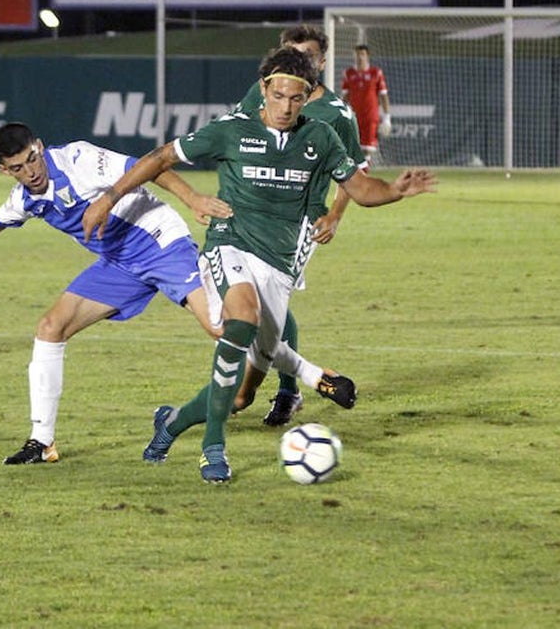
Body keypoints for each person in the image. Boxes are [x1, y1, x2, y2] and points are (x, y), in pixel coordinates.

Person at [82, 47, 437, 483]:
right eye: (279, 94)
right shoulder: (231, 131)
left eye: (296, 98)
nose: (286, 106)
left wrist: (396, 190)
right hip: (228, 243)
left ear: (306, 97)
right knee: (243, 317)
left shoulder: (320, 137)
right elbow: (159, 158)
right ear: (264, 89)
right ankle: (213, 449)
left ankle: (172, 423)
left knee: (239, 397)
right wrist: (110, 197)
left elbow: (361, 189)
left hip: (279, 263)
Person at [0, 122, 232, 465]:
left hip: (160, 242)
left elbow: (148, 166)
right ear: (5, 171)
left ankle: (287, 373)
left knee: (222, 328)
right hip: (119, 264)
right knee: (51, 327)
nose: (31, 171)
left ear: (40, 147)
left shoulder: (78, 159)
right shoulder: (25, 199)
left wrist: (193, 198)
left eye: (33, 158)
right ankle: (42, 442)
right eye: (18, 167)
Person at [231, 24, 369, 426]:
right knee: (257, 301)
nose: (299, 61)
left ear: (322, 62)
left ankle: (288, 390)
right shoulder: (260, 94)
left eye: (307, 55)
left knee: (274, 302)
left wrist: (335, 214)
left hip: (298, 222)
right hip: (251, 213)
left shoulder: (336, 114)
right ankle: (270, 383)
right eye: (291, 52)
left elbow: (356, 171)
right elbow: (235, 135)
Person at [341, 43, 392, 163]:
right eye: (357, 54)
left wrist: (387, 118)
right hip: (353, 117)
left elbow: (383, 96)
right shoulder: (348, 73)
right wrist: (340, 114)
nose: (359, 57)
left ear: (367, 56)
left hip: (370, 117)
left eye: (362, 54)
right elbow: (345, 97)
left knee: (367, 150)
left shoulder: (376, 73)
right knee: (352, 149)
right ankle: (355, 178)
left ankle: (363, 177)